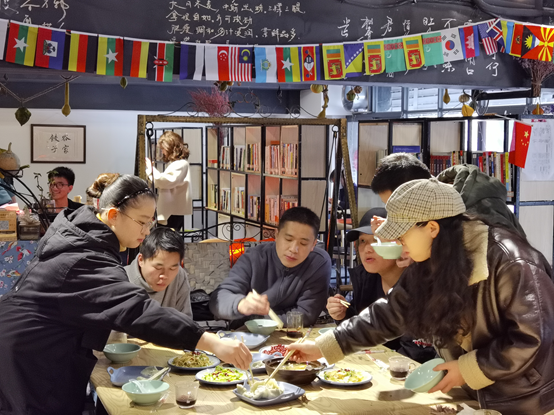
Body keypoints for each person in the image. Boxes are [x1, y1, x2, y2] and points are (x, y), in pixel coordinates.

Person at [288, 178, 554, 415]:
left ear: (432, 228)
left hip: (525, 402)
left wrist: (467, 369)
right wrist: (323, 347)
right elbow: (389, 314)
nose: (398, 242)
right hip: (472, 395)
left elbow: (533, 339)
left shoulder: (511, 261)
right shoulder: (432, 257)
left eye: (402, 234)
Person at [0, 173, 251, 415]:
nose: (147, 230)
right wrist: (212, 342)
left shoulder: (83, 240)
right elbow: (137, 310)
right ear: (113, 215)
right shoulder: (85, 259)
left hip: (31, 350)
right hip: (28, 359)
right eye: (142, 222)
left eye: (150, 222)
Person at [327, 207, 436, 363]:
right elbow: (366, 330)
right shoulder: (367, 279)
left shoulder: (420, 284)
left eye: (377, 240)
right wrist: (343, 315)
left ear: (401, 244)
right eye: (362, 241)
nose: (367, 249)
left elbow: (417, 353)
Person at [209, 206, 331, 327]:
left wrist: (258, 320)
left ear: (313, 244)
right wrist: (240, 304)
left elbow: (306, 314)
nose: (294, 249)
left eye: (303, 243)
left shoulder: (318, 263)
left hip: (288, 333)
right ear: (276, 235)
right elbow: (218, 300)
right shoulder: (254, 258)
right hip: (247, 332)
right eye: (288, 239)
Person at [371, 153, 525, 238]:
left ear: (414, 191)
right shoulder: (437, 204)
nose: (396, 209)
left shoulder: (477, 212)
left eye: (399, 204)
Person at [125, 227, 193, 317]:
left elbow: (185, 319)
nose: (165, 275)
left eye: (172, 268)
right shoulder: (120, 281)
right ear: (141, 260)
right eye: (158, 267)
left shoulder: (179, 275)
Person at [145, 131, 192, 231]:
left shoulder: (181, 164)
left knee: (166, 238)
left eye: (163, 149)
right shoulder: (175, 164)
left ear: (170, 148)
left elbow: (164, 182)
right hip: (171, 211)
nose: (162, 152)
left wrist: (150, 168)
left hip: (172, 213)